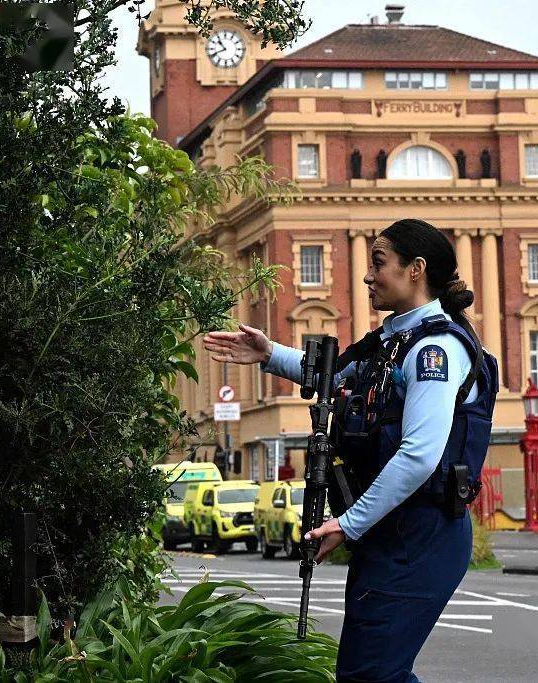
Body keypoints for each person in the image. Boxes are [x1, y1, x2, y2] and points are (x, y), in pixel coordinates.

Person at [202, 218, 497, 682]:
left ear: (415, 269)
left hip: (422, 534)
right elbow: (334, 376)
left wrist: (348, 524)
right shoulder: (391, 342)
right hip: (390, 531)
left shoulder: (434, 350)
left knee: (372, 674)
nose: (367, 275)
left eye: (379, 262)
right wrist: (268, 354)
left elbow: (420, 454)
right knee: (367, 673)